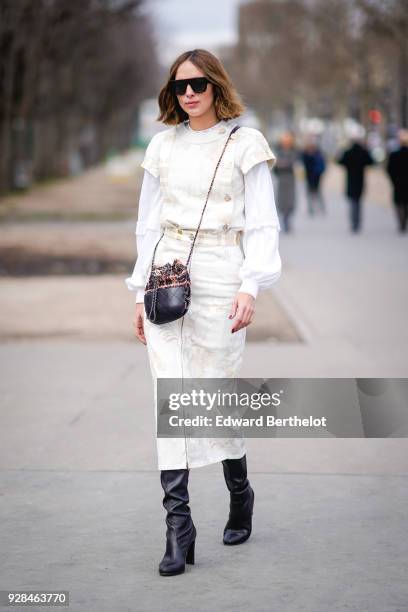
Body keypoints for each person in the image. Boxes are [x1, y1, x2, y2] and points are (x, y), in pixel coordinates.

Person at [124, 49, 282, 576]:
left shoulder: (245, 143)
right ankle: (179, 527)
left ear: (216, 86)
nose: (188, 94)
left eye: (197, 84)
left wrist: (251, 285)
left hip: (221, 271)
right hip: (167, 274)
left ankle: (240, 492)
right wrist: (137, 294)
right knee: (170, 394)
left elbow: (262, 223)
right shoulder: (162, 147)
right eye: (178, 87)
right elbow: (148, 226)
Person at [337, 134, 375, 233]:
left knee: (353, 202)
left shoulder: (348, 152)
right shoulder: (363, 152)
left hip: (350, 180)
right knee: (358, 202)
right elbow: (371, 162)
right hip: (360, 180)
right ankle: (357, 222)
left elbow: (340, 162)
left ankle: (354, 222)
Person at [273, 132, 298, 232]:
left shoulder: (294, 152)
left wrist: (282, 164)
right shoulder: (279, 152)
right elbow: (276, 166)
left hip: (290, 179)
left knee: (290, 201)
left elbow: (292, 164)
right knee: (282, 201)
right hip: (282, 180)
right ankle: (284, 221)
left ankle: (288, 220)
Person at [386, 129, 408, 233]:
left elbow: (389, 170)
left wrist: (393, 179)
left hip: (398, 183)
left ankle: (401, 223)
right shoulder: (394, 155)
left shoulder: (394, 155)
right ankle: (404, 222)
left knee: (399, 203)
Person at [301, 138, 326, 215]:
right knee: (309, 193)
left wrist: (318, 172)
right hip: (309, 176)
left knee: (317, 193)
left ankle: (321, 208)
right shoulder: (305, 154)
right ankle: (311, 209)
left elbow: (322, 165)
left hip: (316, 177)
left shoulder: (318, 154)